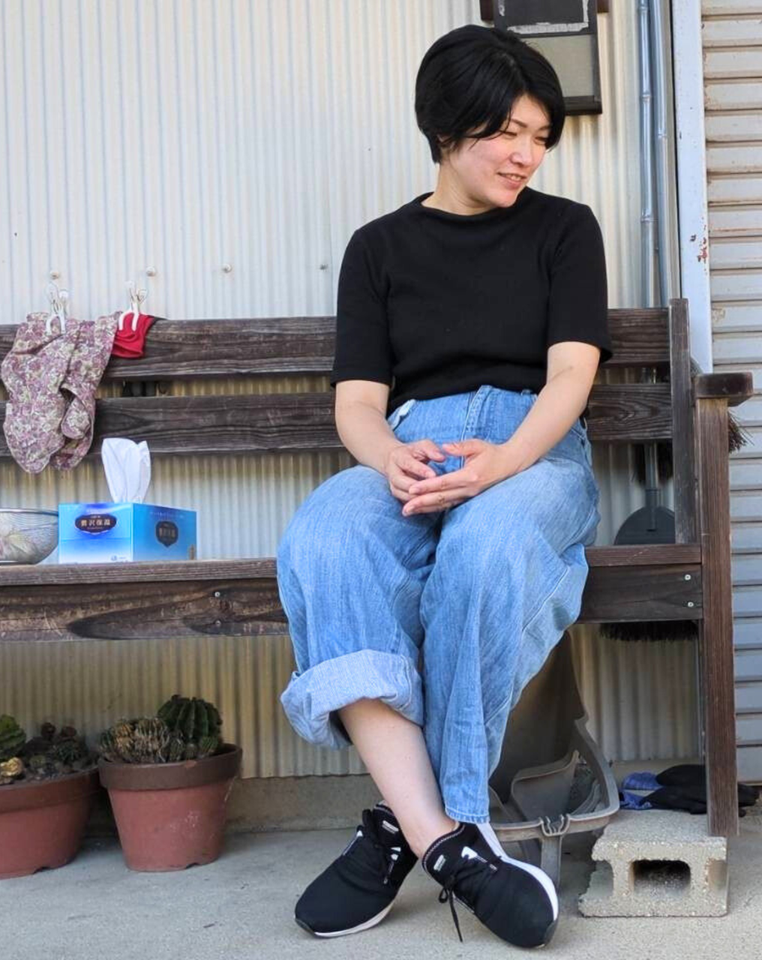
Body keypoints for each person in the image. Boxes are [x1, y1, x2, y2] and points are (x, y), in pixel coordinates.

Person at [275, 25, 608, 948]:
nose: (525, 154)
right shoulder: (377, 249)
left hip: (534, 451)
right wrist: (388, 455)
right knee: (324, 540)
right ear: (445, 129)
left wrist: (502, 462)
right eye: (505, 132)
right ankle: (449, 843)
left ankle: (408, 823)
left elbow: (572, 376)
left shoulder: (565, 229)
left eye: (539, 136)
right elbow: (357, 404)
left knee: (484, 549)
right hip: (413, 450)